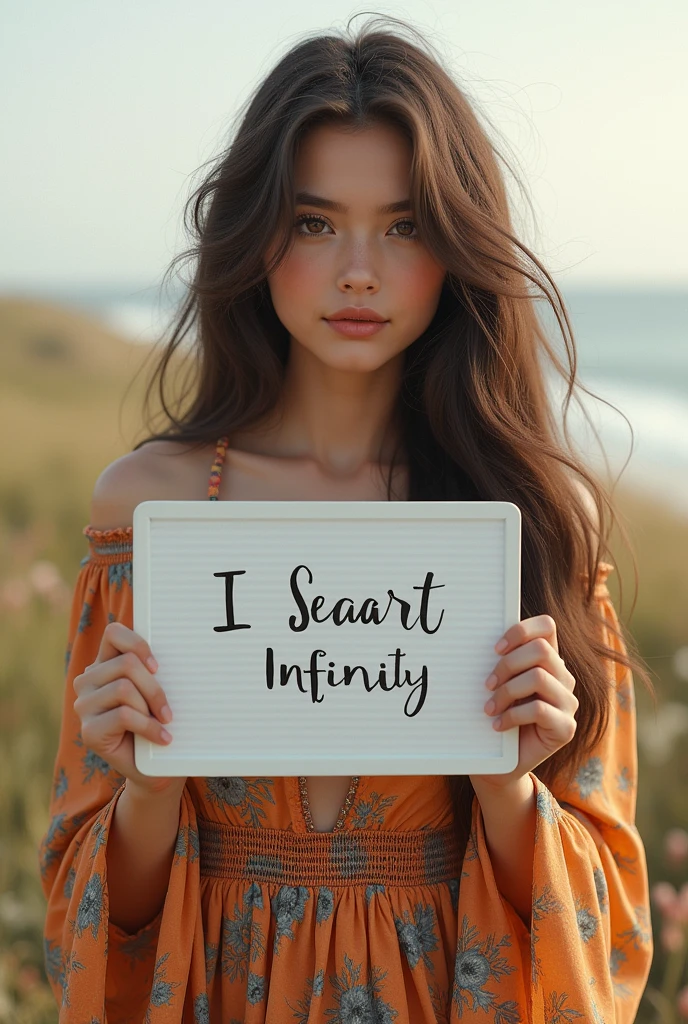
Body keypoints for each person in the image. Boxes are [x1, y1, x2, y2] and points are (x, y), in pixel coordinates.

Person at [39, 15, 654, 1024]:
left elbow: (607, 927)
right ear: (256, 232)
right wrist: (147, 787)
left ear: (456, 246)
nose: (357, 270)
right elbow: (90, 922)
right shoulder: (150, 511)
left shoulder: (530, 521)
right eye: (316, 223)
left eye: (404, 225)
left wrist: (509, 788)